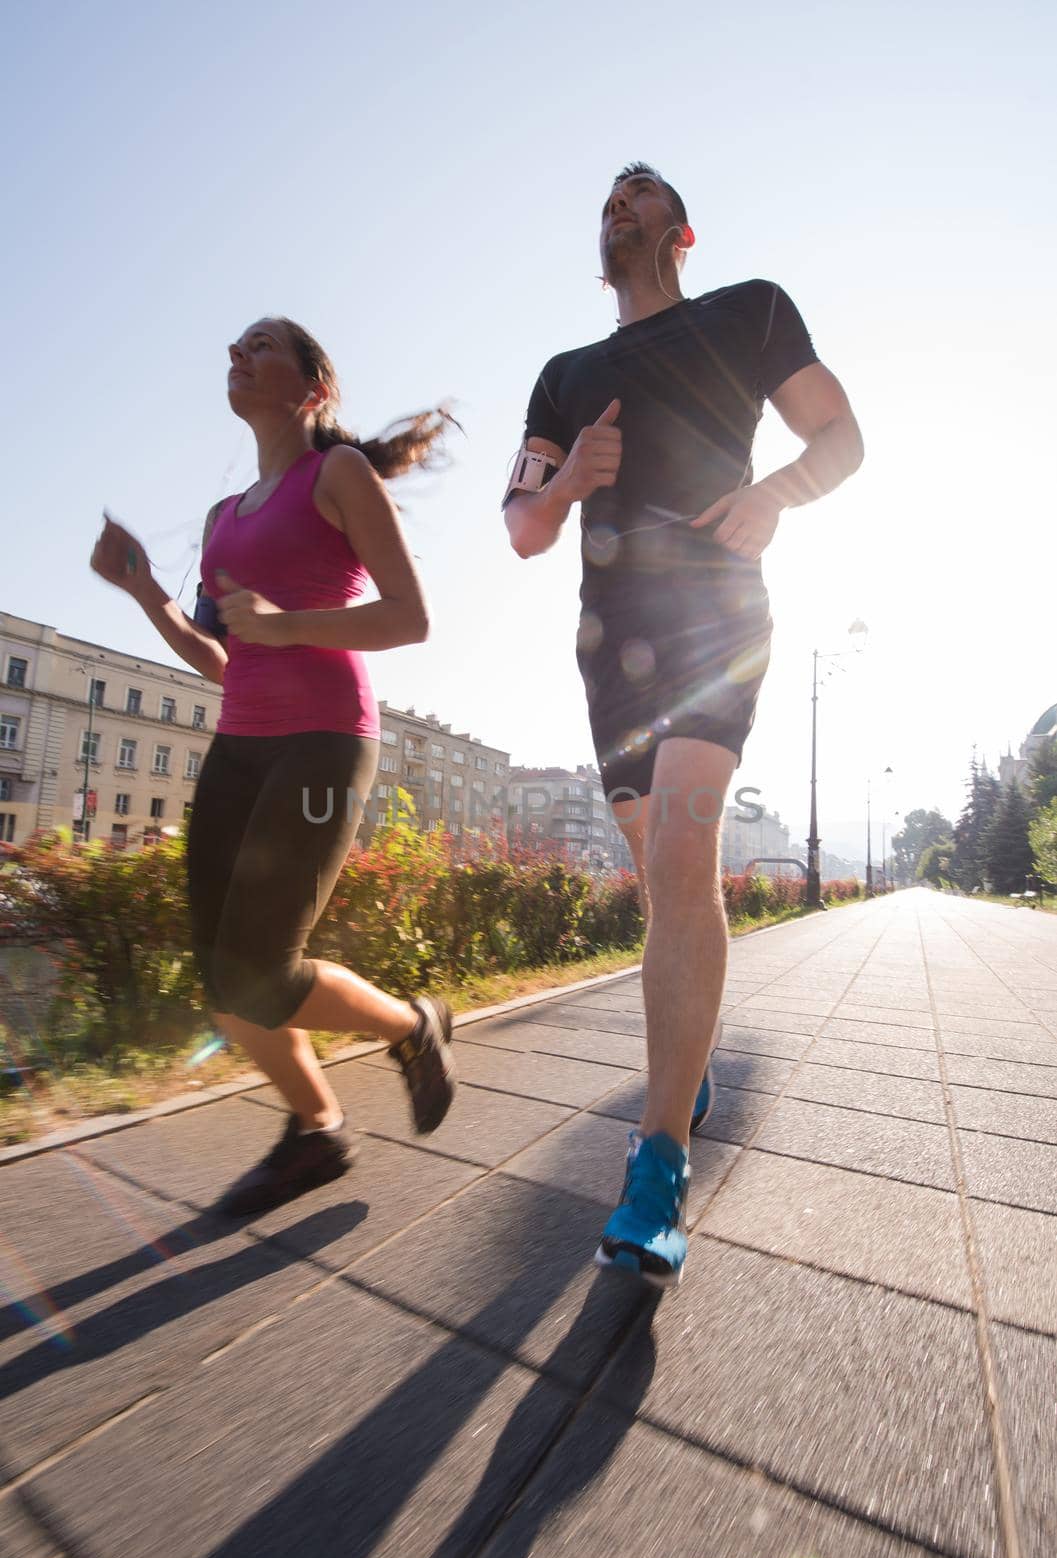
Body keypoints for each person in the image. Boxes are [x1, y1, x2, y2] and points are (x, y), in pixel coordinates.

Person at [503, 164, 863, 1287]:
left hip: (714, 618)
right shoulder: (564, 376)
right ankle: (685, 1057)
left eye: (639, 194)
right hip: (611, 642)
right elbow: (518, 525)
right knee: (659, 882)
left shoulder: (747, 310)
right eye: (605, 199)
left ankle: (658, 1164)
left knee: (682, 847)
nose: (617, 206)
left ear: (681, 231)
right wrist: (567, 491)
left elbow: (840, 438)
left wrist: (776, 495)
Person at [90, 316, 457, 1215]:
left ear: (313, 387)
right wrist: (142, 586)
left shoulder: (337, 474)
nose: (235, 354)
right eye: (234, 346)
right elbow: (221, 655)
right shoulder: (222, 522)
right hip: (240, 744)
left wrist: (288, 623)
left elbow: (409, 618)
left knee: (262, 971)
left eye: (260, 345)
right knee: (226, 986)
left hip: (326, 736)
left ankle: (413, 1026)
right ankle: (317, 1130)